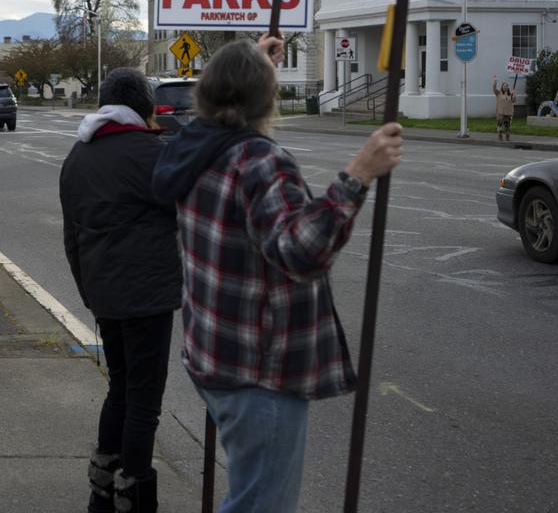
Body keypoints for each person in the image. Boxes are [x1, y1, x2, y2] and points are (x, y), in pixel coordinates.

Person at [152, 37, 403, 513]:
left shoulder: (192, 147)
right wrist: (358, 173)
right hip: (258, 369)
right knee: (260, 505)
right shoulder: (259, 160)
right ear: (266, 99)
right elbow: (301, 252)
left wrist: (253, 63)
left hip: (215, 354)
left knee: (250, 493)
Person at [59, 67, 179, 513]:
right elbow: (185, 204)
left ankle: (102, 493)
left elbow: (72, 237)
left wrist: (88, 290)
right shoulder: (150, 153)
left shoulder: (77, 156)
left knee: (121, 389)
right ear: (143, 107)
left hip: (104, 293)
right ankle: (136, 496)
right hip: (148, 295)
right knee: (144, 402)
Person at [492, 74, 517, 141]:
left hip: (509, 113)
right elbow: (494, 88)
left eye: (507, 86)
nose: (505, 87)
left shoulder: (510, 93)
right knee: (500, 126)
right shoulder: (499, 93)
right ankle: (500, 137)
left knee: (507, 126)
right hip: (500, 112)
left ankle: (507, 137)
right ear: (502, 87)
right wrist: (495, 81)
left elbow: (514, 100)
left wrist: (514, 94)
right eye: (504, 86)